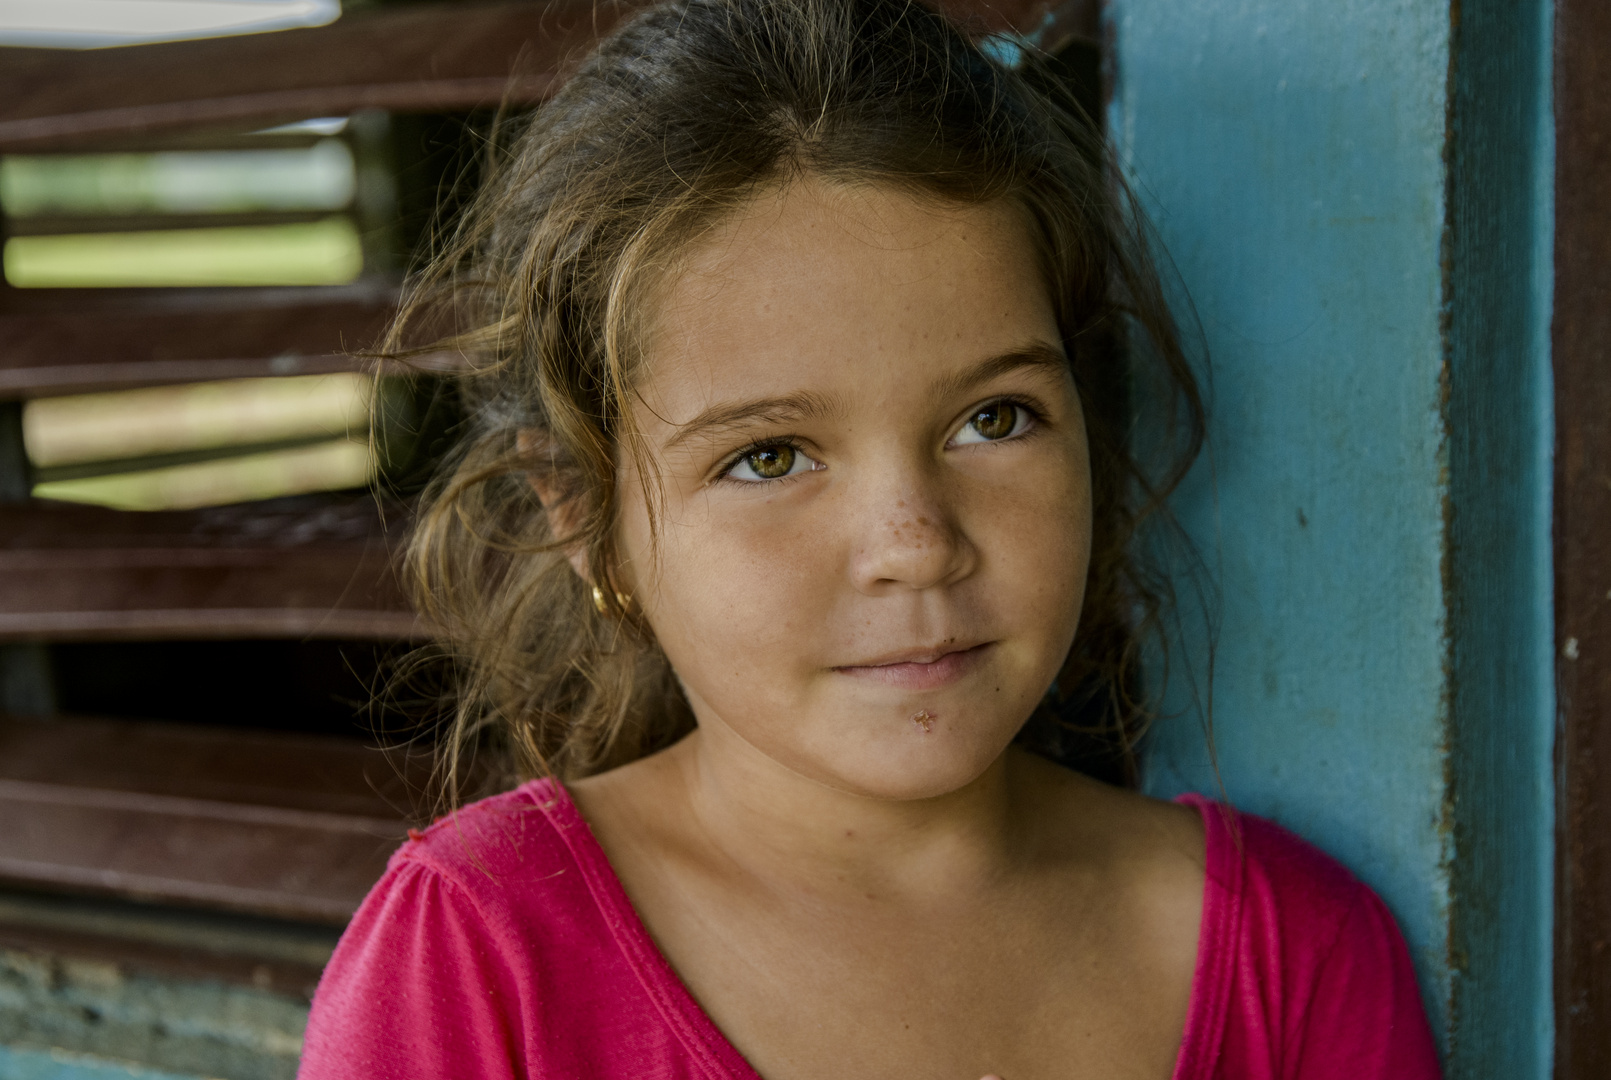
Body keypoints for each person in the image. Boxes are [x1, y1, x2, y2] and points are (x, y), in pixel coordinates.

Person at [297, 1, 1441, 1077]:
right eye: (770, 456)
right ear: (585, 522)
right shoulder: (477, 958)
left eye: (994, 420)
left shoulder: (1296, 958)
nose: (914, 544)